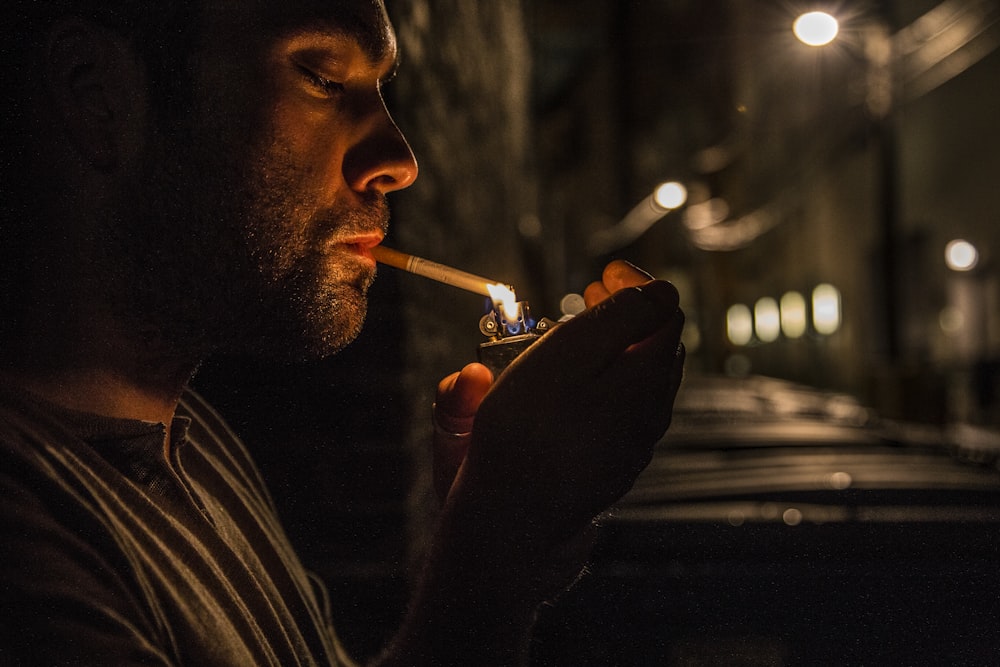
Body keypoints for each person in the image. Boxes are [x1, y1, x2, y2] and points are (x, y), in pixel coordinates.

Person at [0, 1, 686, 665]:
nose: (399, 157)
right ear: (96, 94)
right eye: (322, 77)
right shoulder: (27, 551)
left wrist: (509, 531)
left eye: (381, 89)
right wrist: (494, 545)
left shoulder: (193, 439)